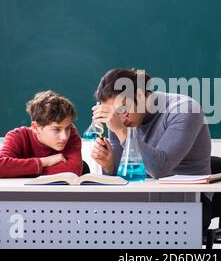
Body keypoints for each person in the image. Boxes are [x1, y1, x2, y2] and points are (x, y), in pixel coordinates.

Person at [90, 68, 212, 231]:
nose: (120, 118)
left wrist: (121, 132)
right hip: (140, 199)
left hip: (189, 202)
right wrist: (108, 165)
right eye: (113, 113)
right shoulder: (120, 122)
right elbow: (122, 177)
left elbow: (159, 168)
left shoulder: (185, 110)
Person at [0, 90, 82, 178]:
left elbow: (73, 170)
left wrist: (19, 171)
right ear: (35, 127)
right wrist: (44, 162)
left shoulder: (72, 134)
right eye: (56, 129)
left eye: (67, 128)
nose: (64, 137)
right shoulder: (17, 136)